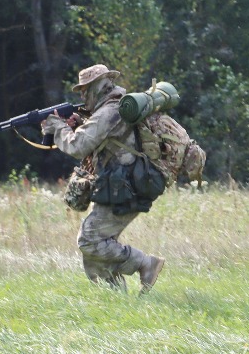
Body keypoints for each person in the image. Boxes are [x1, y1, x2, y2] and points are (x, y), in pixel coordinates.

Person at [42, 64, 166, 294]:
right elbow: (101, 138)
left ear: (96, 88)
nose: (82, 96)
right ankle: (115, 300)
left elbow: (78, 146)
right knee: (95, 251)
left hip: (124, 187)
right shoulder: (111, 109)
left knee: (89, 240)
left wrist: (57, 127)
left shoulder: (109, 111)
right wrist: (77, 124)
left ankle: (145, 263)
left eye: (85, 90)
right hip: (117, 185)